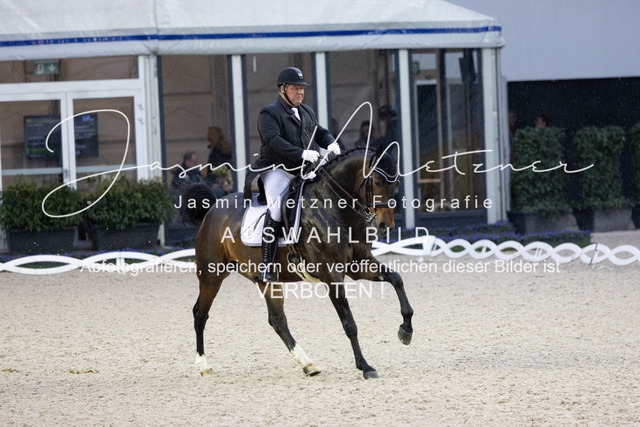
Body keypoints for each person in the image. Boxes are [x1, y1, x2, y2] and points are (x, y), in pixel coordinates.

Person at [254, 66, 341, 282]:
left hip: (303, 171)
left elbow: (319, 132)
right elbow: (273, 141)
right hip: (277, 170)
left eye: (301, 88)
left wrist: (331, 143)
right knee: (276, 208)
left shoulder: (306, 111)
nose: (300, 92)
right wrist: (302, 153)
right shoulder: (269, 113)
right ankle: (267, 265)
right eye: (295, 88)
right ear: (282, 89)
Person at [205, 126, 233, 198]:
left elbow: (212, 170)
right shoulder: (227, 149)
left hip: (219, 183)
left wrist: (212, 182)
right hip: (228, 182)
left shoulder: (215, 153)